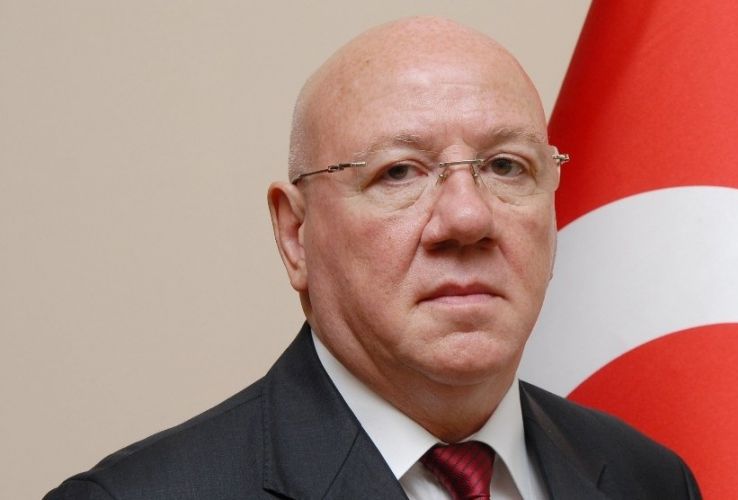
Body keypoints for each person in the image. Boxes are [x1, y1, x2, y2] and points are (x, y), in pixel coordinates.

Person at [46, 17, 701, 499]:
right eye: (399, 172)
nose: (468, 219)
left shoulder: (650, 481)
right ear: (296, 235)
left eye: (506, 166)